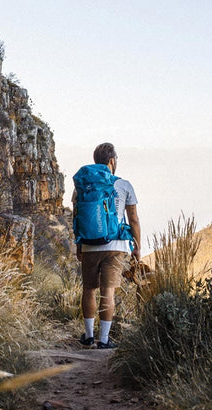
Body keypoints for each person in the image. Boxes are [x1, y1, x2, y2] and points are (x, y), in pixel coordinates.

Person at [73, 142, 141, 349]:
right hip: (116, 246)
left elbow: (77, 216)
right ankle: (103, 340)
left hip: (89, 244)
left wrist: (79, 244)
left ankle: (88, 336)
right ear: (112, 161)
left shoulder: (83, 186)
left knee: (88, 290)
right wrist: (137, 246)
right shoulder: (124, 185)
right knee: (108, 291)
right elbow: (134, 219)